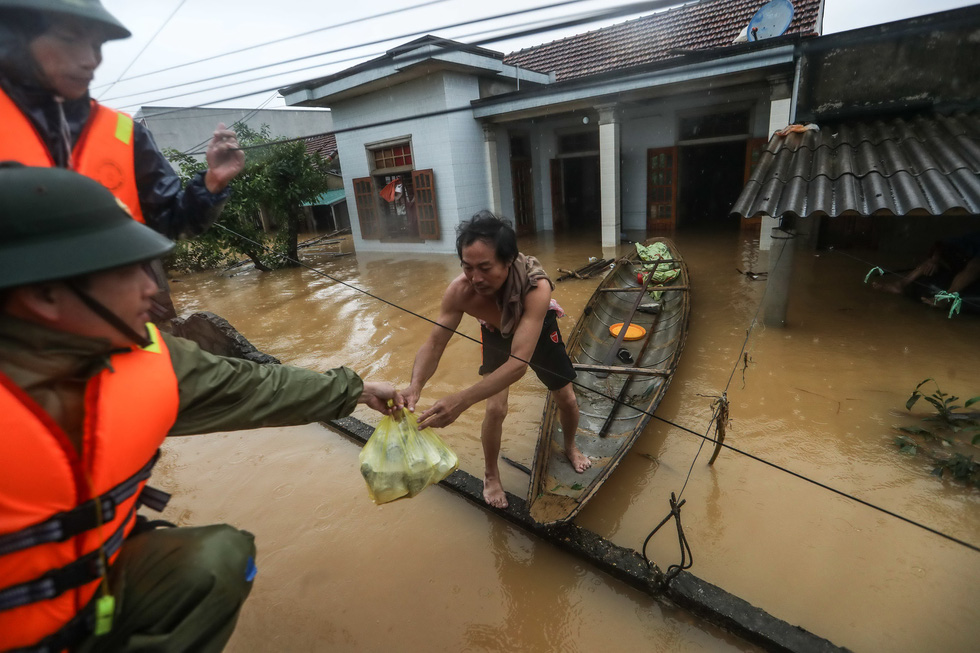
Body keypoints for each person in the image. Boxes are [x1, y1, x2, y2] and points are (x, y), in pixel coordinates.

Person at [0, 165, 404, 652]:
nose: (154, 291)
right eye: (125, 272)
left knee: (221, 560)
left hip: (93, 586)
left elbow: (255, 385)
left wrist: (355, 390)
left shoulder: (150, 359)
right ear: (45, 294)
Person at [0, 0, 245, 322]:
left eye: (97, 44)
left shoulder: (125, 133)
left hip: (126, 315)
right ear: (15, 38)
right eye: (69, 39)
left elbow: (169, 221)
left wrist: (212, 183)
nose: (90, 60)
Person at [402, 211, 591, 510]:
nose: (476, 278)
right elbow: (435, 342)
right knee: (495, 408)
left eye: (485, 268)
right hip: (495, 331)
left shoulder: (536, 287)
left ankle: (570, 446)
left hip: (537, 330)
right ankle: (491, 475)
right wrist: (414, 387)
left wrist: (461, 400)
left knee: (566, 398)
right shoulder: (460, 291)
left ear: (508, 260)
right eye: (467, 267)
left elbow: (518, 364)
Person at [871, 231, 980, 308]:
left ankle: (946, 297)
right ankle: (900, 284)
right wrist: (934, 260)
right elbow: (941, 244)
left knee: (976, 264)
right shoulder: (973, 238)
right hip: (961, 264)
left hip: (972, 268)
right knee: (930, 264)